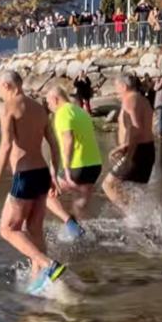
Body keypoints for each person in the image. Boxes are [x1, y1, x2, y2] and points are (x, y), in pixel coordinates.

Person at [0, 71, 66, 295]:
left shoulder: (9, 108)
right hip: (41, 172)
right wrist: (53, 174)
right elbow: (53, 143)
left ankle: (49, 264)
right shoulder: (39, 108)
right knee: (34, 231)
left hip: (24, 175)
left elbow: (6, 146)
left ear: (7, 85)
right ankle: (37, 281)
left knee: (7, 229)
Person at [44, 86, 102, 230]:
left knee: (44, 192)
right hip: (94, 165)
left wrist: (67, 169)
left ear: (56, 99)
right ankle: (90, 233)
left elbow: (68, 139)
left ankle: (70, 224)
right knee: (79, 204)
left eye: (48, 102)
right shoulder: (80, 111)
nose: (48, 106)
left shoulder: (62, 113)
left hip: (77, 166)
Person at [101, 74, 156, 214]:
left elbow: (136, 129)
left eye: (117, 87)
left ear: (124, 86)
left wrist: (127, 152)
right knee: (132, 189)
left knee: (108, 185)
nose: (116, 91)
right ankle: (144, 218)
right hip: (147, 150)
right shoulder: (143, 100)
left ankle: (132, 215)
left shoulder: (129, 100)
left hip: (137, 150)